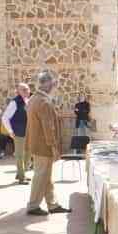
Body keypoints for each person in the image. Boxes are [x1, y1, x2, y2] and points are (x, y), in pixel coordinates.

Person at [25, 70, 71, 216]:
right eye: (52, 83)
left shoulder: (33, 99)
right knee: (41, 175)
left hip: (37, 144)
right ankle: (33, 205)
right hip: (43, 145)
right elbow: (48, 127)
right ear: (45, 84)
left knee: (46, 175)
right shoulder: (43, 101)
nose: (54, 85)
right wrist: (53, 147)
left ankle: (52, 204)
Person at [2, 83, 31, 185]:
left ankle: (21, 173)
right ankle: (21, 178)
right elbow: (5, 117)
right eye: (23, 89)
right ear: (18, 91)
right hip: (19, 132)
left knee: (28, 154)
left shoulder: (29, 100)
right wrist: (10, 131)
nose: (26, 91)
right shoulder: (14, 102)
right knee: (20, 155)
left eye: (27, 89)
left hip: (29, 132)